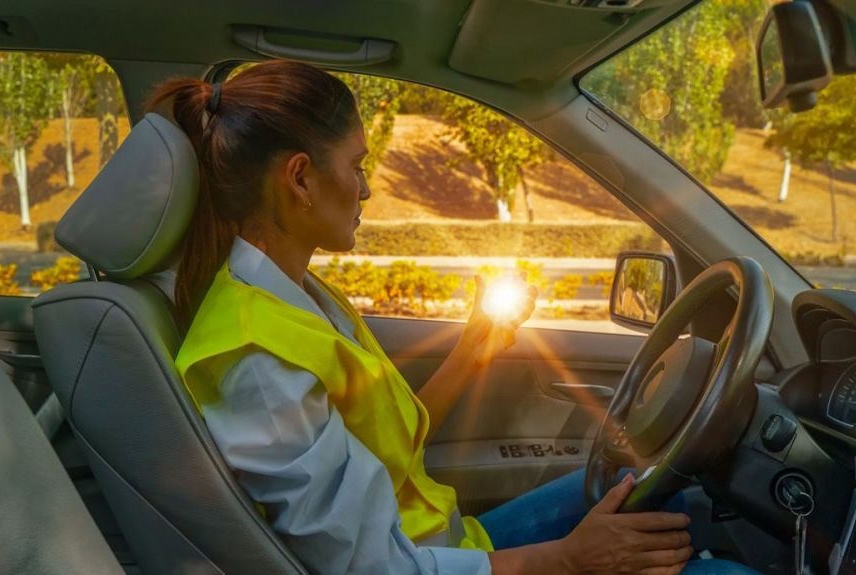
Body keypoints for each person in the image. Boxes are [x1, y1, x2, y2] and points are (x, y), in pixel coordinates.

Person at [164, 61, 758, 575]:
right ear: (300, 178)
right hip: (424, 562)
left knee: (671, 502)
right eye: (357, 165)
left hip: (446, 547)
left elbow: (384, 448)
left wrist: (473, 351)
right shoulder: (258, 361)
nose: (367, 188)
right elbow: (371, 570)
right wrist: (571, 560)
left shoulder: (294, 297)